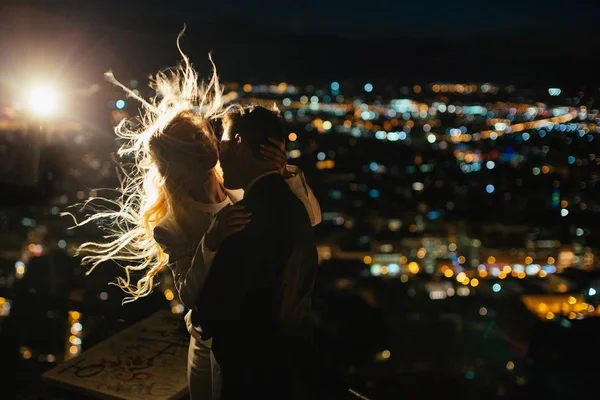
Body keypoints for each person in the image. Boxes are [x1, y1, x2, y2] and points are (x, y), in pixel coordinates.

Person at [65, 34, 321, 400]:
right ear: (179, 162)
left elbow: (306, 222)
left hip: (254, 340)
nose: (208, 144)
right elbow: (187, 293)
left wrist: (286, 176)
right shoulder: (172, 224)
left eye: (204, 136)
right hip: (209, 342)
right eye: (195, 142)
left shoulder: (237, 184)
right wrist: (211, 242)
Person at [192, 105, 320, 399]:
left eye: (223, 143)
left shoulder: (243, 218)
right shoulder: (295, 208)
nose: (218, 155)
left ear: (239, 144)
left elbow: (212, 311)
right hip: (291, 369)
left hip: (251, 377)